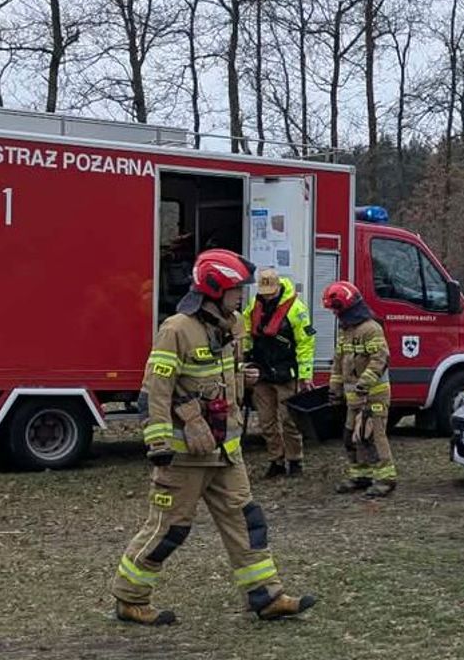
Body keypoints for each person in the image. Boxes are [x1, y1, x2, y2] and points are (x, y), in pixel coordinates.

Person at [112, 247, 317, 626]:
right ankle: (130, 598)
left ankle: (266, 596)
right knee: (169, 529)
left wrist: (245, 378)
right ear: (214, 290)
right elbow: (155, 390)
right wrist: (158, 444)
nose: (243, 296)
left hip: (226, 451)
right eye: (237, 289)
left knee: (247, 522)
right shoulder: (177, 329)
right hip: (184, 455)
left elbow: (224, 375)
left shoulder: (233, 324)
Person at [322, 280, 397, 498]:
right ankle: (360, 475)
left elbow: (380, 359)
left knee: (373, 436)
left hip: (374, 394)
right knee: (350, 437)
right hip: (353, 397)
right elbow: (339, 362)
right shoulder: (347, 331)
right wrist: (334, 389)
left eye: (336, 308)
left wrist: (364, 383)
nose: (335, 313)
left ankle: (386, 479)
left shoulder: (371, 329)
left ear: (348, 306)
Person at [244, 268, 316, 479]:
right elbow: (249, 333)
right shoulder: (254, 305)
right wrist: (246, 360)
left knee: (289, 420)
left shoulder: (296, 308)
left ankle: (295, 460)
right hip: (262, 372)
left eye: (270, 292)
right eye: (264, 292)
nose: (267, 295)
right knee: (267, 422)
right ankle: (276, 460)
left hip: (287, 372)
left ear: (278, 287)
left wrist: (305, 374)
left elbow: (305, 343)